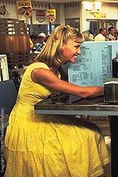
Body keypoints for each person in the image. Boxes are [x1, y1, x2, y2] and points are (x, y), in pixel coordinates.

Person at [4, 25, 110, 177]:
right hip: (27, 121)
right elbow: (83, 92)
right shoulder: (39, 71)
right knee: (84, 135)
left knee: (91, 129)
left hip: (43, 115)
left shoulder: (57, 68)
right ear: (61, 45)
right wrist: (113, 86)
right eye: (77, 46)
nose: (79, 51)